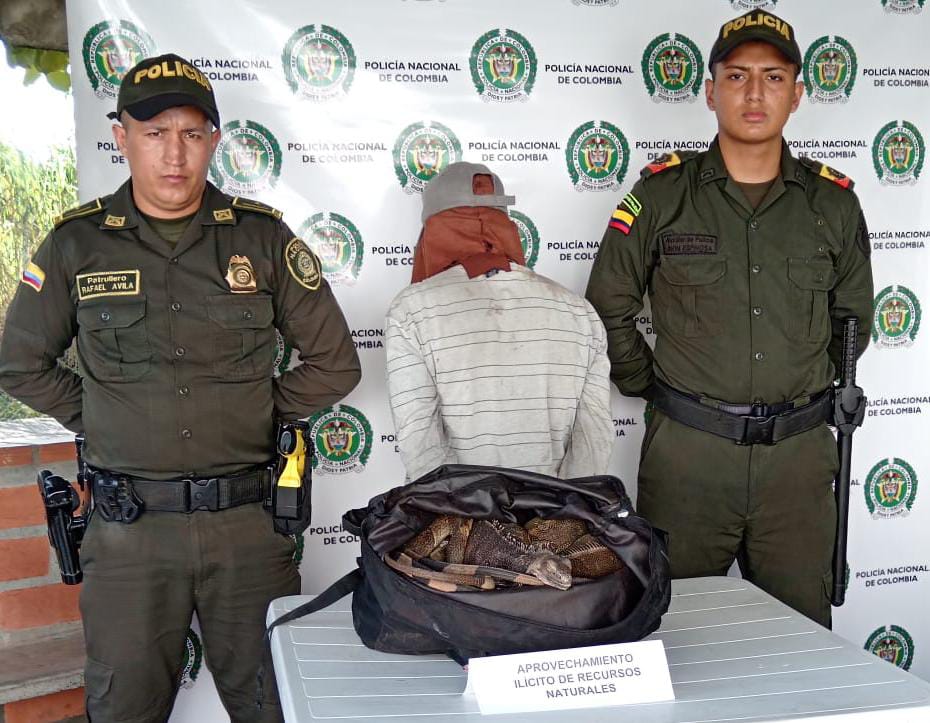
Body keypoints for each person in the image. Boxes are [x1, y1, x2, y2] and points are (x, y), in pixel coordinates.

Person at [0, 53, 360, 722]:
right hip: (130, 539)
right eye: (154, 132)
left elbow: (336, 362)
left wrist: (255, 411)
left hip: (248, 532)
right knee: (124, 709)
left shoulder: (263, 237)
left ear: (214, 141)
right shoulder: (76, 245)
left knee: (277, 706)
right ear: (121, 138)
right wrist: (107, 416)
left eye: (192, 133)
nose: (175, 153)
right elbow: (19, 364)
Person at [585, 11, 873, 627]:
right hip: (690, 459)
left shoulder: (833, 204)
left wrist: (797, 396)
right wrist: (647, 382)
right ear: (710, 90)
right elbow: (608, 303)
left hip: (797, 465)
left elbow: (852, 320)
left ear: (797, 94)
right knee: (674, 635)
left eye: (773, 77)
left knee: (801, 640)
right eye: (736, 75)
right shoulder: (662, 197)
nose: (753, 93)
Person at [386, 161, 613, 482]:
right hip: (555, 519)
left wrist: (460, 525)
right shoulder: (578, 311)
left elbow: (420, 443)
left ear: (434, 231)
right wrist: (565, 516)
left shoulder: (411, 311)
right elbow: (593, 442)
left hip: (457, 521)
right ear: (505, 225)